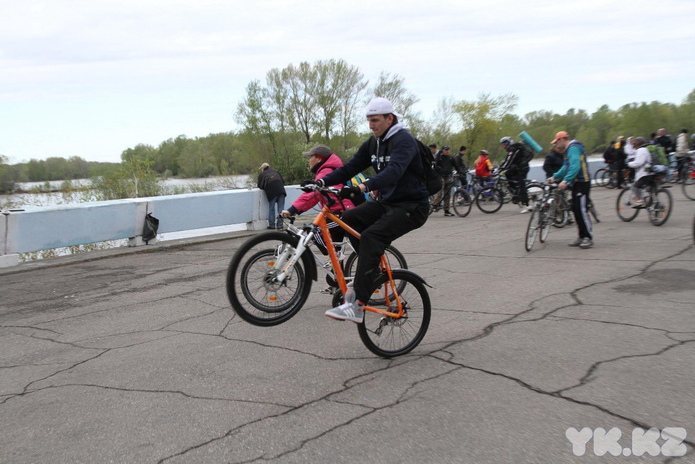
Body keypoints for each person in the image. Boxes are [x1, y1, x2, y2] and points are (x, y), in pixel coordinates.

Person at [309, 97, 430, 323]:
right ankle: (371, 270)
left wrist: (363, 186)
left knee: (372, 236)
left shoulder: (404, 140)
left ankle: (357, 305)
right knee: (349, 218)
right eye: (368, 120)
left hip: (412, 206)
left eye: (375, 120)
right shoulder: (373, 143)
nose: (371, 125)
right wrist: (321, 183)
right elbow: (349, 168)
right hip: (387, 202)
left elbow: (394, 172)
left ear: (389, 118)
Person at [281, 144, 355, 255]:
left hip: (341, 214)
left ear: (318, 158)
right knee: (335, 248)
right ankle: (337, 269)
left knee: (314, 232)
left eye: (310, 157)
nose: (308, 160)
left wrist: (292, 210)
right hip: (338, 213)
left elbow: (314, 195)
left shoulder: (326, 172)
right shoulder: (328, 170)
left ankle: (334, 262)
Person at [547, 131, 593, 249]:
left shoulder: (573, 148)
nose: (556, 145)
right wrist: (555, 176)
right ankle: (581, 236)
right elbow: (565, 167)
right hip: (577, 183)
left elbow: (575, 166)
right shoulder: (569, 150)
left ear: (562, 139)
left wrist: (565, 180)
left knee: (582, 210)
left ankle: (588, 237)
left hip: (583, 182)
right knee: (576, 210)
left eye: (556, 142)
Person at [499, 136, 532, 213]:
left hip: (523, 168)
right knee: (507, 174)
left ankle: (527, 205)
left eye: (502, 144)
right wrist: (500, 168)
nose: (502, 146)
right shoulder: (511, 149)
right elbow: (506, 161)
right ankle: (515, 191)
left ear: (507, 143)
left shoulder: (513, 149)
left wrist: (501, 169)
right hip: (518, 167)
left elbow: (509, 161)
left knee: (521, 185)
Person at [257, 162, 286, 230]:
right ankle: (280, 226)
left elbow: (260, 186)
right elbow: (282, 181)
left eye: (261, 168)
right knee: (281, 209)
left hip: (272, 192)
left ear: (263, 168)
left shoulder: (262, 174)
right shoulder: (276, 171)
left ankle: (272, 225)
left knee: (271, 209)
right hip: (281, 191)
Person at [626, 137, 653, 207]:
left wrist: (629, 164)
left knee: (636, 186)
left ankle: (639, 201)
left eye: (634, 142)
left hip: (645, 173)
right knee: (646, 188)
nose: (633, 144)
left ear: (638, 143)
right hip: (650, 172)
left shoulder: (641, 150)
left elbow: (639, 163)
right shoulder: (645, 149)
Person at [432, 145, 456, 216]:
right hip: (441, 176)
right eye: (445, 150)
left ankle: (446, 210)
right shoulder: (439, 157)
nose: (447, 151)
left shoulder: (451, 158)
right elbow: (435, 164)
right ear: (442, 150)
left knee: (447, 193)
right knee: (440, 191)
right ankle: (435, 204)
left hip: (448, 176)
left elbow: (456, 165)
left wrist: (461, 172)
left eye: (448, 150)